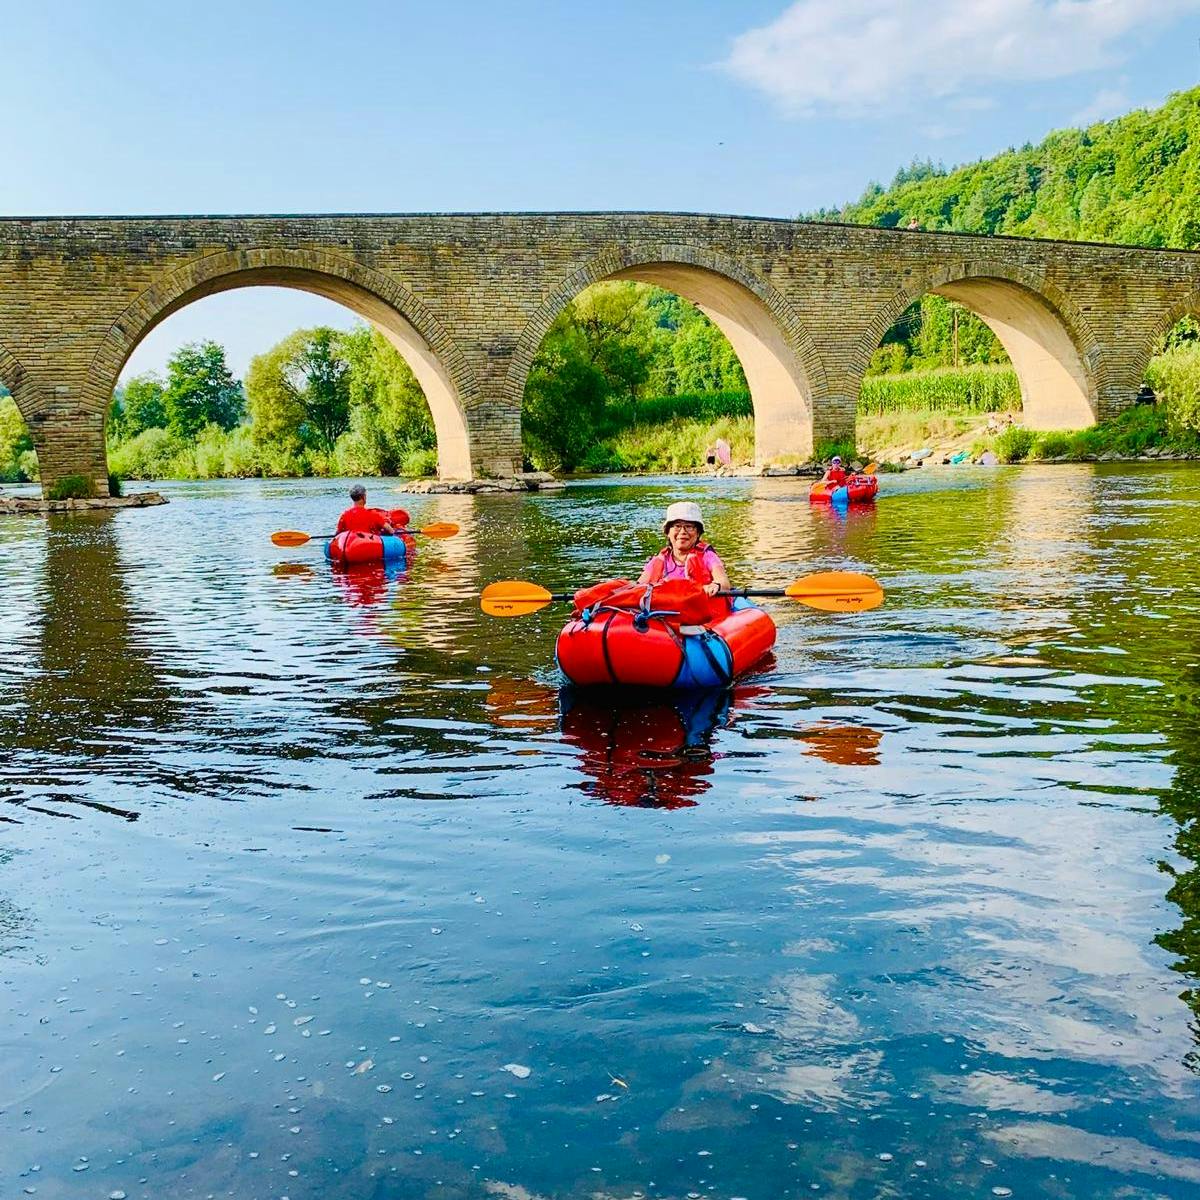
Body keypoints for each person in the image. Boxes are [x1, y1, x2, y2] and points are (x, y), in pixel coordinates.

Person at [637, 501, 731, 598]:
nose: (683, 532)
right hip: (664, 610)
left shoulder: (708, 556)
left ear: (698, 533)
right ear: (668, 532)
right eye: (677, 526)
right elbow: (638, 587)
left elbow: (723, 583)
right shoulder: (658, 560)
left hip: (699, 608)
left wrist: (716, 586)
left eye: (689, 527)